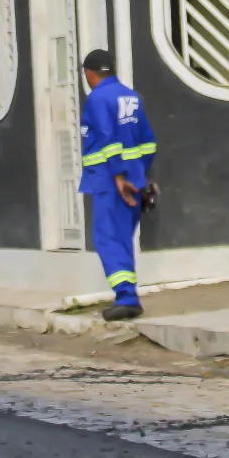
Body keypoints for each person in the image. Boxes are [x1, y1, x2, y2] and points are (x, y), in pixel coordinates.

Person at [78, 50, 156, 324]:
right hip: (133, 178)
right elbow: (148, 142)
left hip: (110, 181)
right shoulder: (131, 96)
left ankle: (126, 298)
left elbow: (109, 141)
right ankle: (128, 294)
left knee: (108, 237)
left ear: (88, 73)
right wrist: (142, 177)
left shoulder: (97, 99)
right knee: (121, 238)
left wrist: (118, 176)